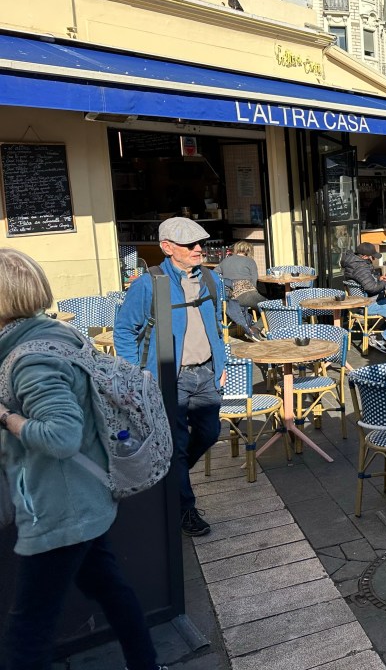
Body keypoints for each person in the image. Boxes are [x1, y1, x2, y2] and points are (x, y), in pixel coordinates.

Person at [0, 250, 167, 670]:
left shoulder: (31, 360)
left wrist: (5, 417)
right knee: (109, 588)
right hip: (82, 498)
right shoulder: (58, 334)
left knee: (28, 629)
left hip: (60, 508)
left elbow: (61, 436)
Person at [114, 218, 225, 538]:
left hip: (205, 373)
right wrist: (137, 375)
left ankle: (168, 477)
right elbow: (124, 331)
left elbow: (217, 324)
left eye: (200, 243)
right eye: (189, 245)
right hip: (167, 379)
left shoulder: (210, 278)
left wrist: (221, 364)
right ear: (167, 247)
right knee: (176, 445)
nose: (198, 249)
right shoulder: (148, 284)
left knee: (210, 432)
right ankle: (184, 508)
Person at [341, 243, 386, 352]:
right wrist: (385, 283)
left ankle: (378, 331)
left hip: (359, 303)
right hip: (367, 305)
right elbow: (371, 288)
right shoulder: (360, 267)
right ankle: (380, 338)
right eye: (371, 256)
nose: (373, 259)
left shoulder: (354, 263)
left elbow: (364, 280)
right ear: (364, 256)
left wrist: (378, 278)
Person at [214, 240, 264, 340]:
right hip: (246, 294)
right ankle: (255, 329)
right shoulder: (250, 261)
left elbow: (214, 274)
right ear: (249, 250)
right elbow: (254, 282)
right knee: (271, 306)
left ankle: (250, 327)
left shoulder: (226, 260)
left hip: (229, 297)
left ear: (236, 249)